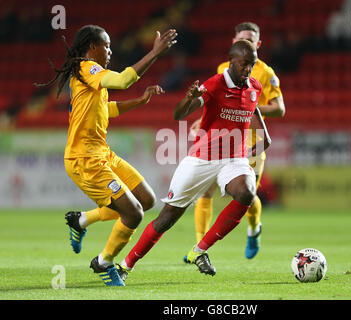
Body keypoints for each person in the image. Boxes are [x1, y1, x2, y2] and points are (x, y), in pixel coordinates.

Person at [34, 25, 177, 286]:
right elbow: (123, 80)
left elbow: (105, 109)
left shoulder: (91, 76)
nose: (110, 51)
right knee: (133, 213)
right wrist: (154, 53)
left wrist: (139, 100)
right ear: (92, 47)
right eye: (106, 46)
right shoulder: (87, 68)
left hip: (102, 154)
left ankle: (81, 220)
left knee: (145, 200)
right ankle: (104, 262)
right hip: (85, 161)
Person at [118, 40, 271, 279]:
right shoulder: (215, 84)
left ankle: (199, 251)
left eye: (251, 65)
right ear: (232, 61)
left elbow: (258, 125)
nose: (248, 70)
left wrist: (257, 146)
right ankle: (126, 265)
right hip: (203, 158)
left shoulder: (254, 87)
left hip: (233, 160)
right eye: (244, 64)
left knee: (246, 193)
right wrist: (189, 99)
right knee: (167, 218)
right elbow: (178, 114)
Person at [185, 22, 285, 261]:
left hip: (251, 144)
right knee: (204, 191)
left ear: (258, 44)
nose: (246, 44)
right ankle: (200, 245)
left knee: (246, 197)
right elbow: (217, 100)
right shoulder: (224, 68)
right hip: (222, 140)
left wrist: (248, 107)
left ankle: (254, 229)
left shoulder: (266, 73)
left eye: (251, 40)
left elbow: (279, 109)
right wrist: (202, 120)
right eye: (242, 40)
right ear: (233, 43)